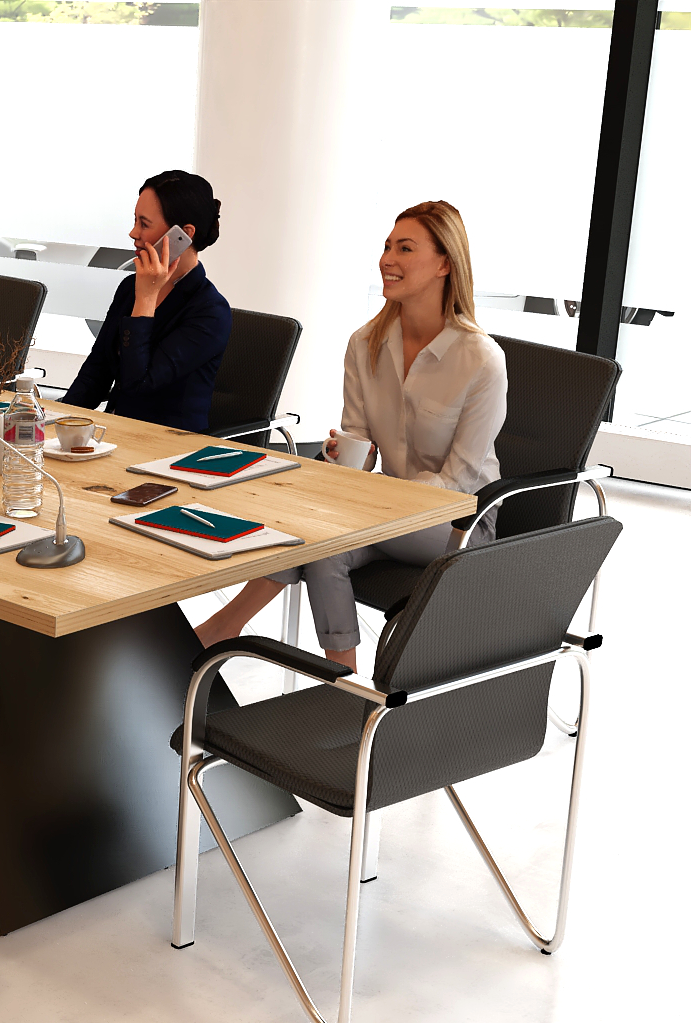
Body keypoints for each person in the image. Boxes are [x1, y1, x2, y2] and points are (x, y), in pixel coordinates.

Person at [193, 200, 506, 670]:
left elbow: (458, 482)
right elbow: (361, 444)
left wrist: (372, 504)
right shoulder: (365, 344)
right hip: (382, 511)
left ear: (445, 263)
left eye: (405, 248)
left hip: (459, 525)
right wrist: (345, 456)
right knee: (323, 547)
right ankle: (343, 680)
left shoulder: (481, 360)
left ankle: (222, 628)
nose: (387, 259)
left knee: (322, 530)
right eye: (387, 246)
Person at [61, 170, 231, 432]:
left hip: (165, 444)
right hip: (115, 434)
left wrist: (147, 298)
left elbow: (138, 386)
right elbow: (97, 370)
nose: (133, 233)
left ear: (183, 234)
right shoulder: (130, 287)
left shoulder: (211, 311)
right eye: (135, 221)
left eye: (144, 224)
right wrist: (57, 420)